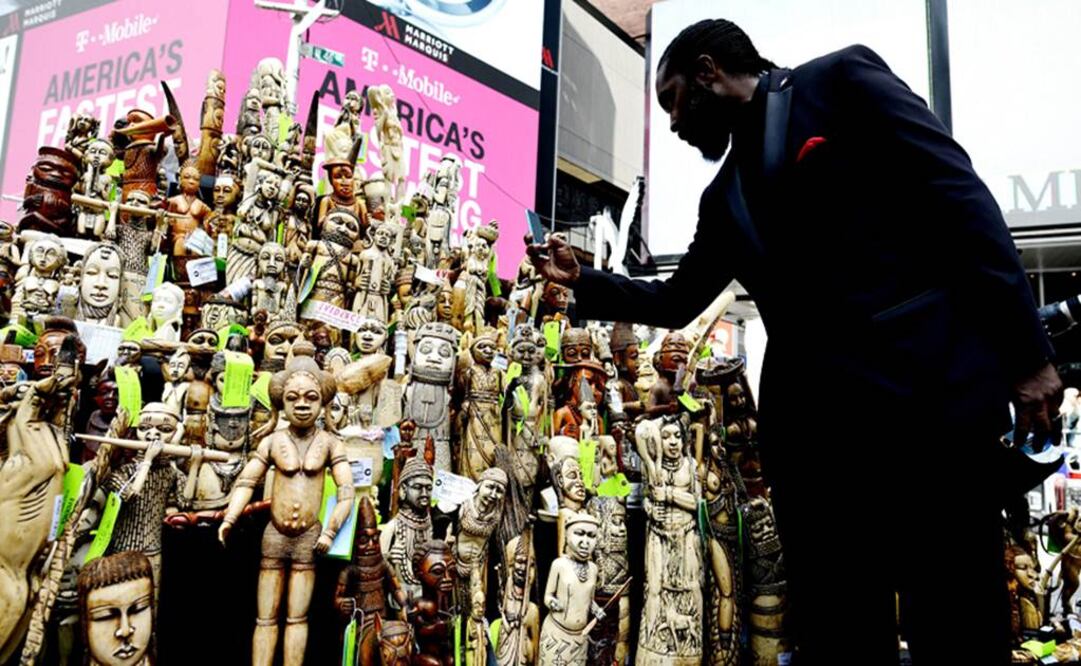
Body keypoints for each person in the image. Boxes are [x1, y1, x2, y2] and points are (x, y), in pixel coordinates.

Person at [526, 19, 1062, 665]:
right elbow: (675, 300)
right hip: (817, 452)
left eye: (671, 100)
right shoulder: (721, 198)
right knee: (839, 629)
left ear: (706, 72)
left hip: (928, 412)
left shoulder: (840, 81)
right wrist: (584, 280)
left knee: (955, 618)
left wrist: (1028, 357)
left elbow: (961, 200)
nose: (671, 124)